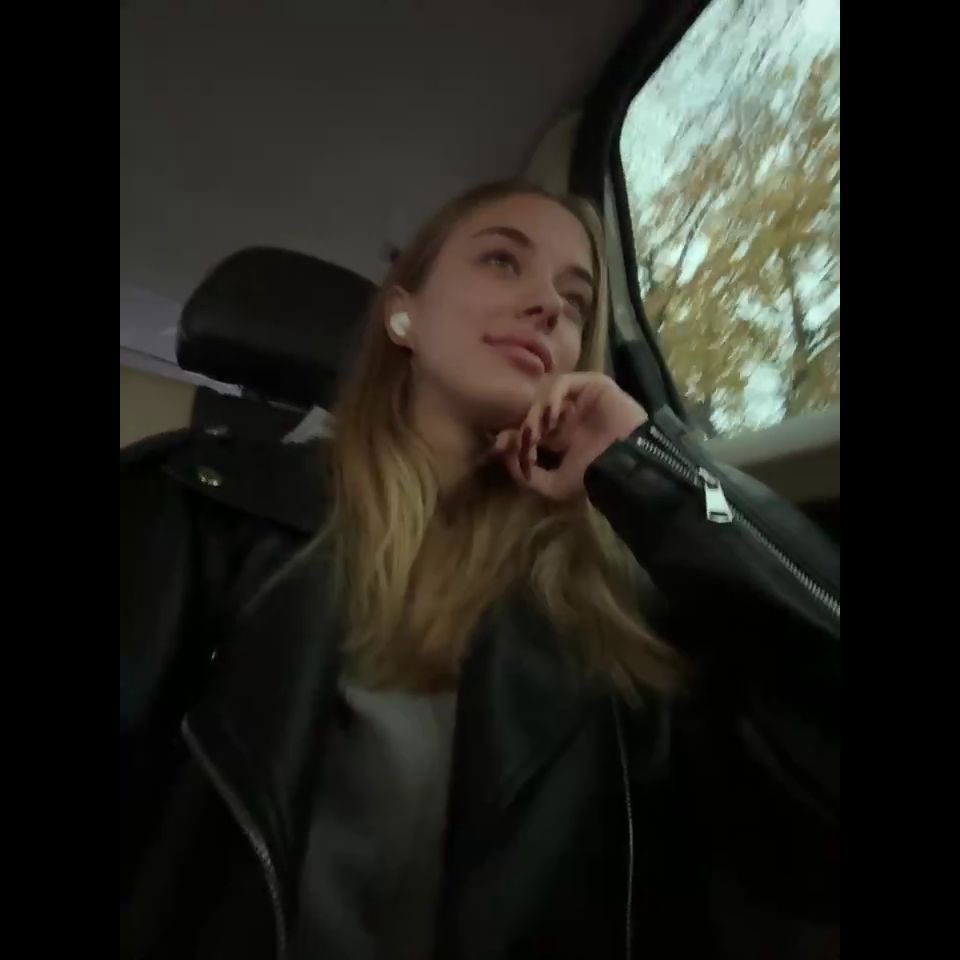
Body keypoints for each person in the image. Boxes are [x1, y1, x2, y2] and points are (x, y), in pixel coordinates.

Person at [120, 181, 840, 960]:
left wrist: (657, 472)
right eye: (503, 261)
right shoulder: (197, 507)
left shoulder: (617, 590)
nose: (550, 307)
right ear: (403, 314)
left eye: (576, 301)